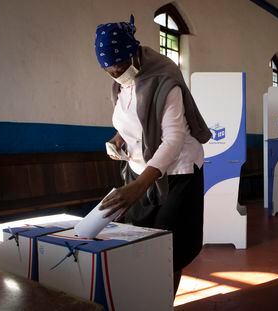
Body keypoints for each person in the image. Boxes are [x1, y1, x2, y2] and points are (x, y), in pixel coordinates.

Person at [93, 16, 211, 296]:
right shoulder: (121, 82)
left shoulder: (164, 78)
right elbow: (135, 120)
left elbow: (172, 139)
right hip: (141, 170)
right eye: (109, 71)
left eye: (119, 67)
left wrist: (138, 186)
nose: (115, 74)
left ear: (133, 52)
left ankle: (163, 303)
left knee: (168, 249)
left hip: (178, 171)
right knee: (140, 242)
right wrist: (119, 138)